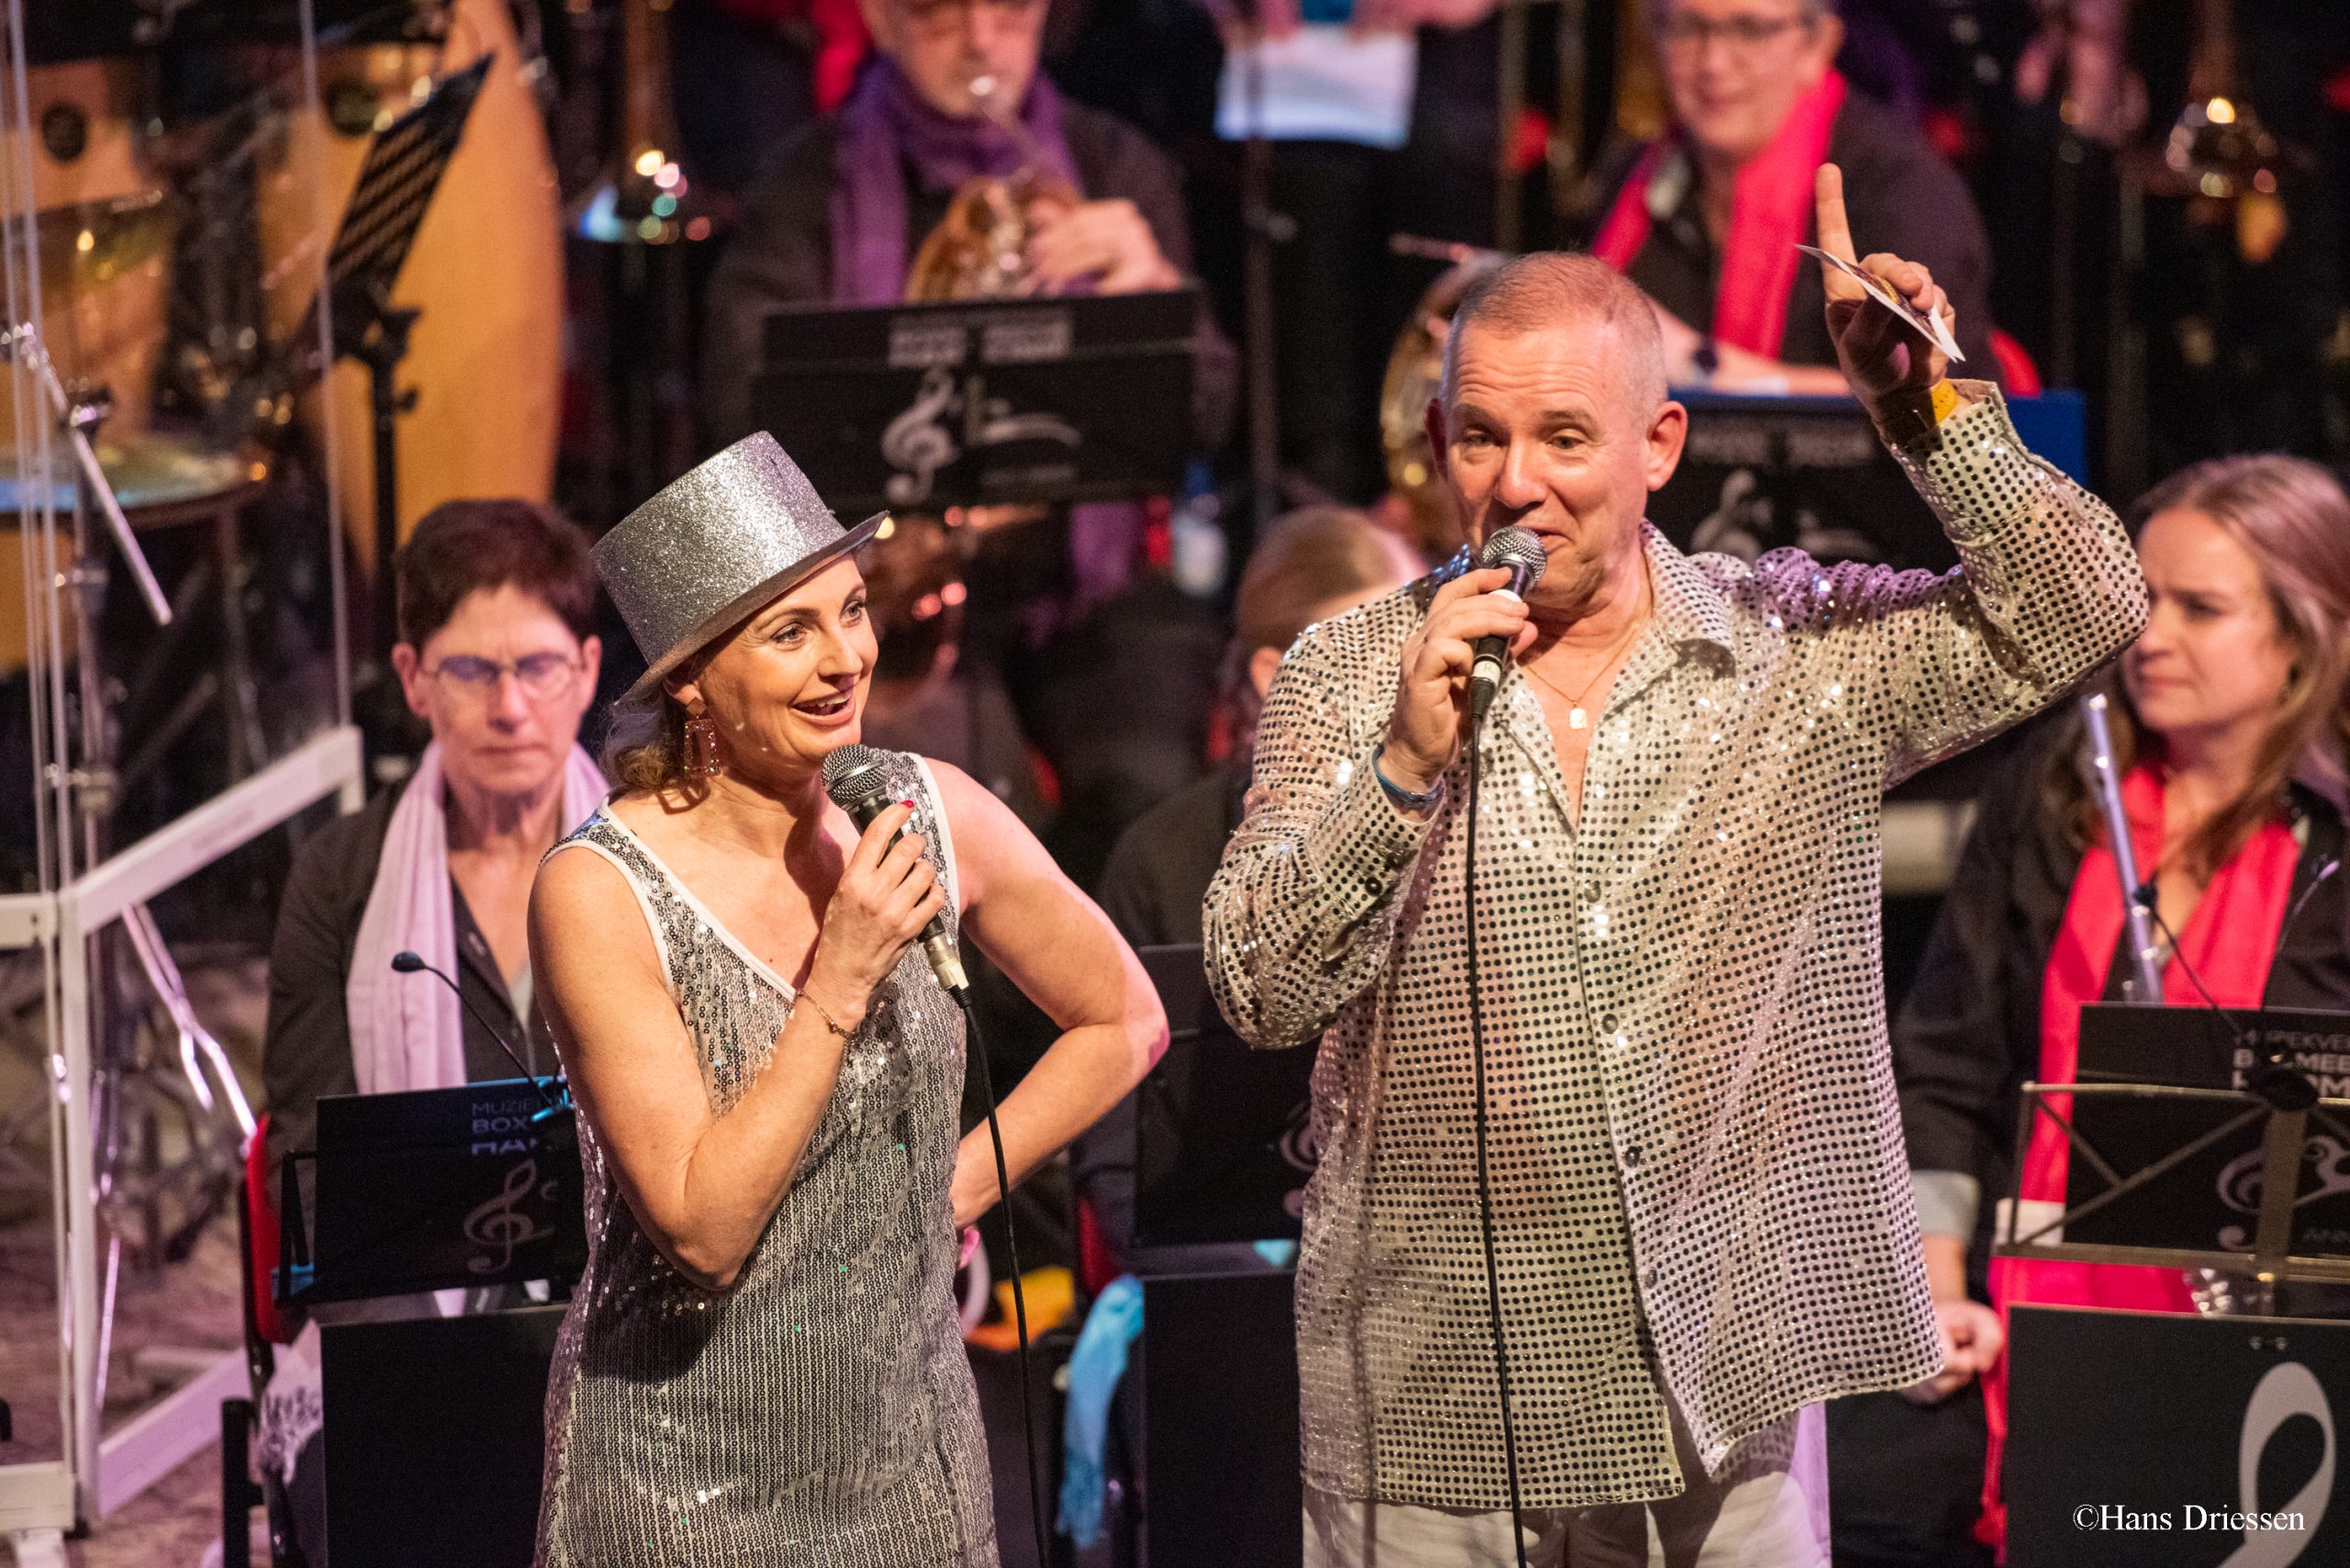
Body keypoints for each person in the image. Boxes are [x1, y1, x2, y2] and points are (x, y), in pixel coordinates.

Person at [1203, 174, 2147, 1563]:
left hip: (1724, 1384)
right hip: (1438, 1403)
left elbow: (2087, 604)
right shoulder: (1351, 672)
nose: (1515, 484)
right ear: (1437, 440)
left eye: (1563, 438)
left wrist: (1926, 414)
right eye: (1482, 436)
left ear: (1660, 445)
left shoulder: (1791, 651)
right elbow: (1256, 988)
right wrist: (1400, 769)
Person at [526, 433, 1165, 1563]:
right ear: (690, 679)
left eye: (853, 611)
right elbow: (703, 1234)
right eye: (791, 632)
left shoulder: (931, 812)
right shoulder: (598, 891)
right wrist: (842, 976)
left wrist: (950, 1188)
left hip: (910, 1471)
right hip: (679, 1485)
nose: (846, 659)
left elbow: (1124, 1020)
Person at [1893, 454, 2350, 1557]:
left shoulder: (2334, 849)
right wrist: (1938, 1291)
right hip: (2023, 1308)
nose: (2150, 634)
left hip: (2280, 1339)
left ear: (2301, 637)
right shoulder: (2054, 792)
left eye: (2200, 607)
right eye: (2141, 597)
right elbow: (1948, 1062)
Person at [258, 498, 608, 1560]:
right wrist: (419, 1378)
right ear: (413, 679)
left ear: (588, 670)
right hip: (405, 1330)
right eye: (470, 670)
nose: (510, 706)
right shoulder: (341, 880)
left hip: (619, 1325)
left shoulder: (657, 864)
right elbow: (320, 1167)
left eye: (538, 667)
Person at [1074, 506, 1420, 1266]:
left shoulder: (1450, 822)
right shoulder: (1161, 859)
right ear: (1276, 676)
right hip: (1224, 1280)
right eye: (1375, 662)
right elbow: (1117, 1153)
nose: (1407, 690)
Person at [700, 0, 1236, 446]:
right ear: (880, 18)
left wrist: (1155, 303)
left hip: (1073, 541)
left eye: (1011, 6)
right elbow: (739, 415)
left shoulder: (1117, 166)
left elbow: (1209, 421)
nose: (981, 40)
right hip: (882, 541)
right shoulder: (804, 184)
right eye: (938, 9)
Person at [1593, 0, 1997, 392]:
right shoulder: (1631, 177)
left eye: (1749, 29)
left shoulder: (1904, 188)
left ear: (1818, 45)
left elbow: (1942, 395)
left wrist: (1690, 364)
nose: (1713, 62)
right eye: (1688, 28)